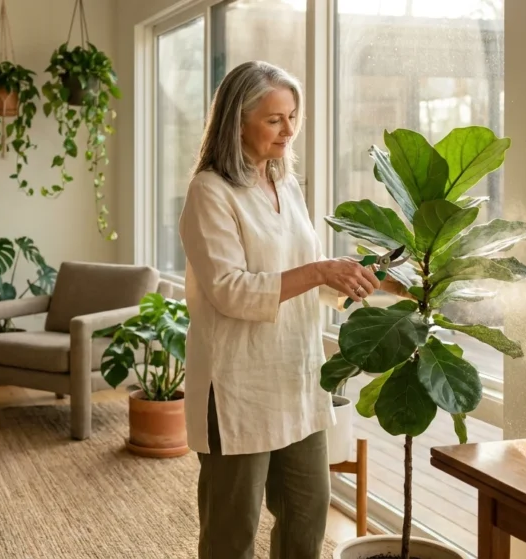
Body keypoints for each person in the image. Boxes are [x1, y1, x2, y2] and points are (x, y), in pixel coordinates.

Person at [177, 61, 408, 558]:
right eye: (274, 119)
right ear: (236, 121)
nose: (289, 130)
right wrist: (322, 270)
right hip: (236, 383)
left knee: (308, 513)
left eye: (293, 116)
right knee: (231, 532)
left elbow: (307, 280)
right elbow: (229, 290)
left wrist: (386, 282)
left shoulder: (287, 186)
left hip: (298, 377)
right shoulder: (209, 192)